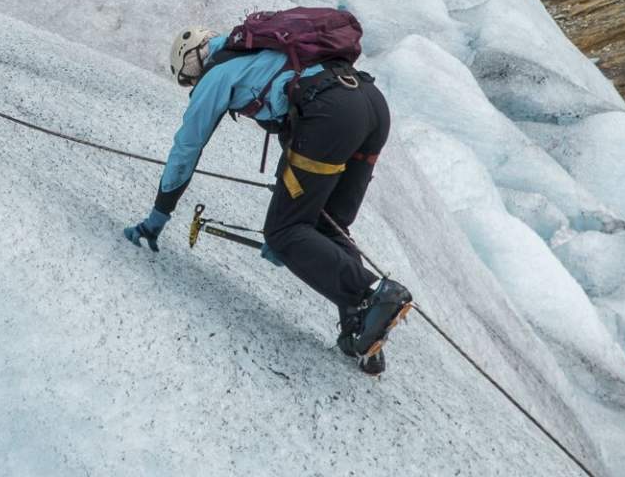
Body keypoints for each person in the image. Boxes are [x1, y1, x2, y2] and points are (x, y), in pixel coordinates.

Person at [124, 25, 412, 372]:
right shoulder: (261, 52)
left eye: (190, 80)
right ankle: (363, 327)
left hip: (333, 112)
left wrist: (159, 214)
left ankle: (374, 294)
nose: (193, 87)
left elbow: (187, 147)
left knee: (285, 231)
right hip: (370, 105)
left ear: (192, 63)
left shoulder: (218, 75)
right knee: (321, 225)